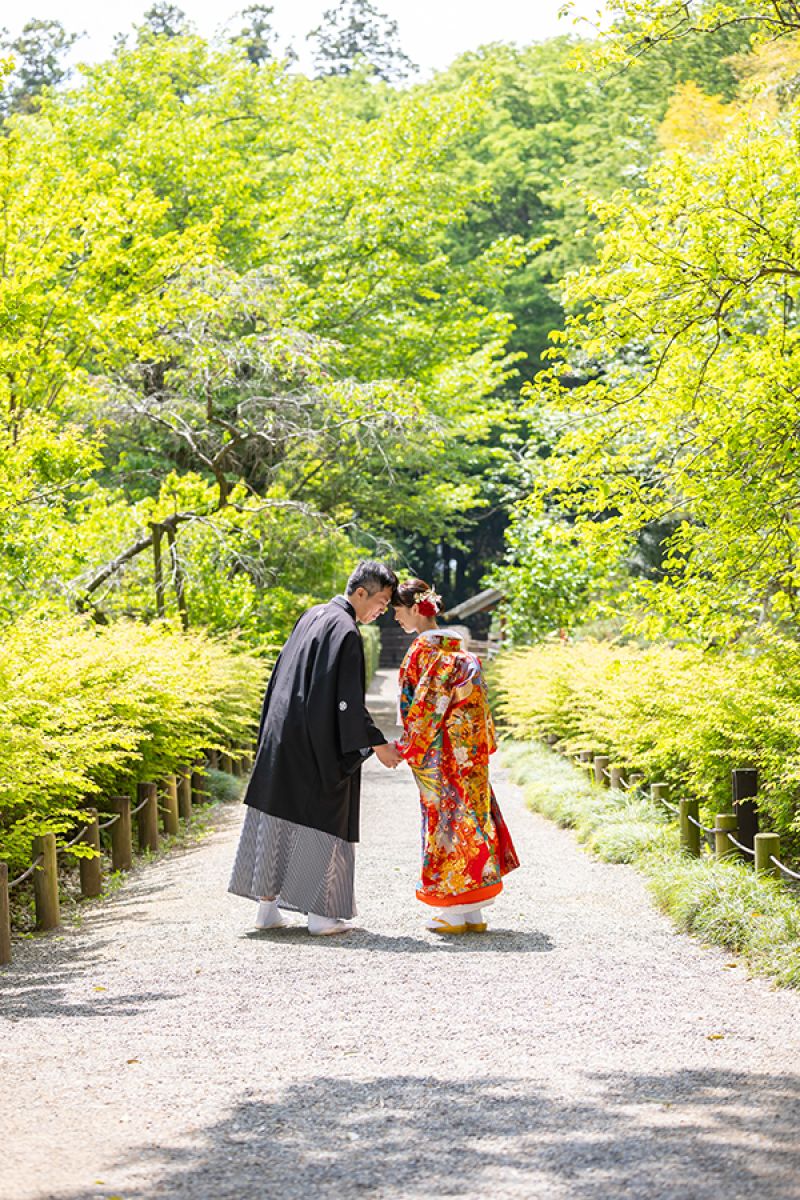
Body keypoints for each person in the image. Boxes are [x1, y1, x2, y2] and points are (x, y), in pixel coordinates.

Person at [228, 560, 403, 935]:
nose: (383, 611)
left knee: (278, 816)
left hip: (283, 732)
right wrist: (377, 744)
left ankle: (267, 910)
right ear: (360, 593)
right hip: (314, 739)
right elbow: (346, 703)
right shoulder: (347, 631)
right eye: (382, 602)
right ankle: (322, 915)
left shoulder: (312, 615)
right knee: (324, 817)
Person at [392, 578, 519, 934]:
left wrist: (406, 748)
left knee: (446, 825)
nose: (397, 619)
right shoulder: (463, 655)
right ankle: (472, 912)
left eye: (399, 611)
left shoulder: (422, 653)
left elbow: (419, 710)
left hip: (440, 756)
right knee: (472, 821)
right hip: (471, 755)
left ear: (417, 609)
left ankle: (452, 910)